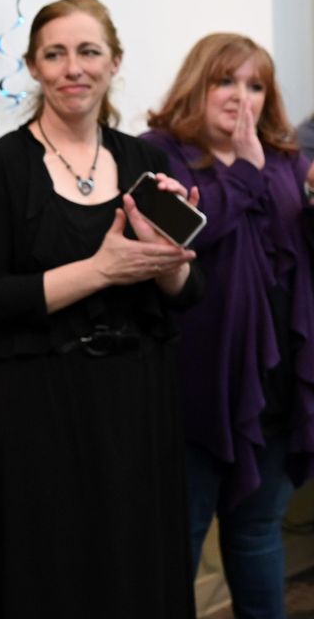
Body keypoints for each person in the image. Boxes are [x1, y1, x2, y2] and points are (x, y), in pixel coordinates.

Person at [0, 0, 202, 619]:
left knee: (133, 564)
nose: (74, 68)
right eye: (55, 54)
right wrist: (100, 270)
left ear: (114, 62)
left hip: (135, 401)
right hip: (37, 405)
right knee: (52, 568)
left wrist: (165, 260)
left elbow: (186, 294)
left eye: (89, 52)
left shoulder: (146, 161)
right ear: (35, 67)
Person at [143, 33, 314, 619]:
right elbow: (182, 239)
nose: (241, 96)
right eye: (226, 81)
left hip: (278, 388)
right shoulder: (156, 154)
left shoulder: (292, 163)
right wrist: (245, 170)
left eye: (255, 85)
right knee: (180, 539)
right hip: (196, 389)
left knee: (258, 531)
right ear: (198, 85)